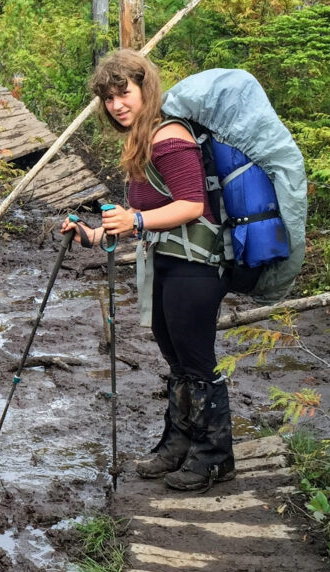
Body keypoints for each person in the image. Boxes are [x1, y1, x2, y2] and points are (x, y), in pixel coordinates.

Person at [64, 50, 236, 490]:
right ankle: (178, 445)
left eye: (124, 93)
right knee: (176, 359)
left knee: (197, 361)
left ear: (145, 88)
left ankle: (214, 457)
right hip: (165, 262)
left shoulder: (170, 136)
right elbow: (138, 213)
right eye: (108, 98)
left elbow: (192, 204)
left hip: (195, 264)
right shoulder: (140, 140)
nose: (117, 105)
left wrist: (135, 221)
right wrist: (93, 234)